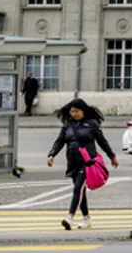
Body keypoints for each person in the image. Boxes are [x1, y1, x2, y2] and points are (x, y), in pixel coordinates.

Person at [46, 98, 118, 231]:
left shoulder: (92, 124)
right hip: (73, 162)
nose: (74, 114)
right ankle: (86, 218)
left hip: (88, 162)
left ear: (83, 111)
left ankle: (70, 217)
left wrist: (111, 156)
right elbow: (60, 141)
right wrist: (51, 155)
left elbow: (102, 141)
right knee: (80, 192)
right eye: (72, 111)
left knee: (78, 188)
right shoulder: (67, 125)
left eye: (77, 111)